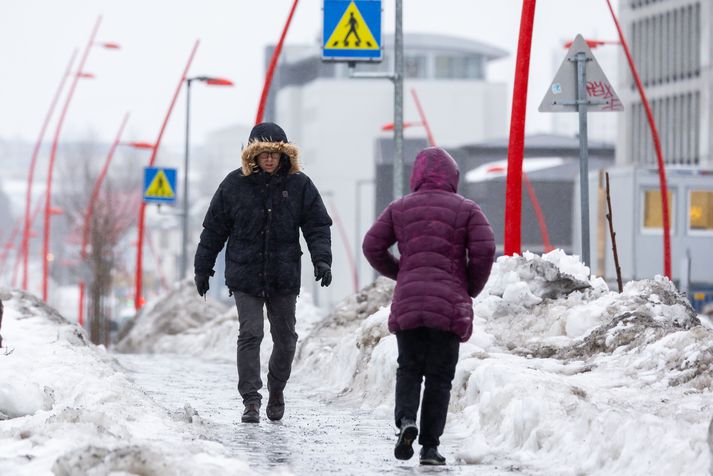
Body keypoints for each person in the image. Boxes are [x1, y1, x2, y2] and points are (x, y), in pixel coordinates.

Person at [362, 147, 495, 465]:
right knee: (439, 377)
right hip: (448, 305)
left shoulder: (400, 207)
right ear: (453, 177)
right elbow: (485, 249)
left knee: (408, 368)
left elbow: (372, 245)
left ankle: (407, 420)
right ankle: (430, 448)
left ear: (416, 176)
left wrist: (401, 272)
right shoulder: (467, 209)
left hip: (410, 301)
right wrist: (469, 286)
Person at [194, 122, 333, 423]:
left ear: (284, 155)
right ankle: (251, 399)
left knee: (286, 338)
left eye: (274, 153)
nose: (269, 159)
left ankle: (277, 388)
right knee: (251, 332)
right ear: (252, 156)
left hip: (284, 274)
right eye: (263, 153)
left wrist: (322, 260)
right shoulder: (233, 185)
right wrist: (203, 269)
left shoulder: (300, 185)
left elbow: (317, 225)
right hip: (245, 273)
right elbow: (213, 230)